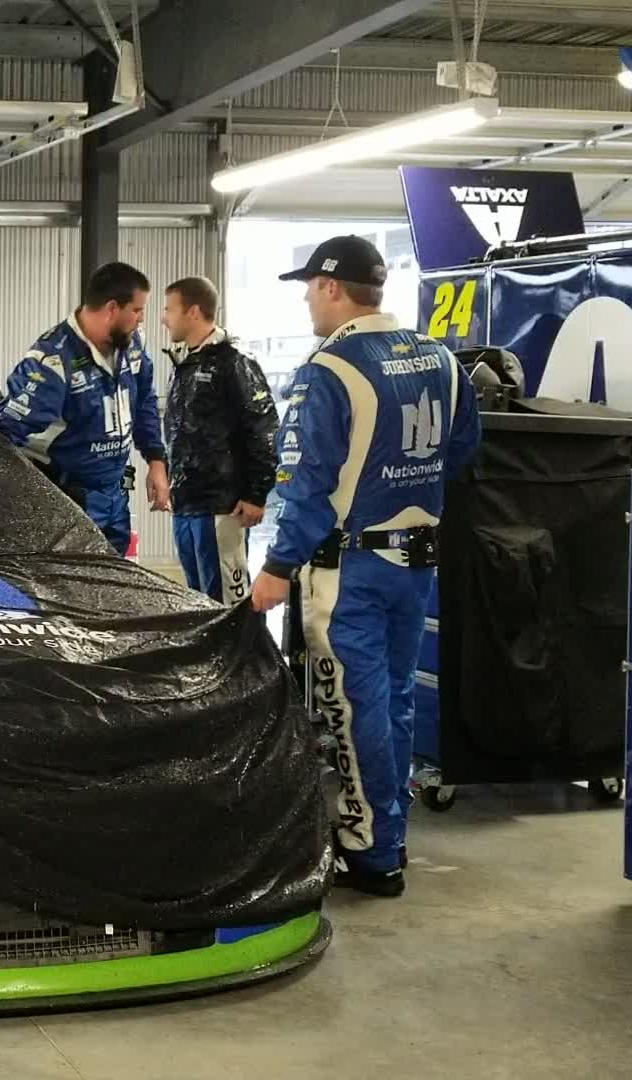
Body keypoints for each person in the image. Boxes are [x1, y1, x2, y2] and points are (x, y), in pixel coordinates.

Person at [250, 235, 480, 899]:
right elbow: (463, 446)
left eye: (308, 290)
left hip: (348, 567)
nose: (305, 303)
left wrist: (277, 564)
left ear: (331, 288)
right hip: (416, 559)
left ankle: (370, 851)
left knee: (352, 706)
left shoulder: (331, 368)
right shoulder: (439, 357)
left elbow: (306, 482)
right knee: (395, 700)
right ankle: (390, 831)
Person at [0, 262, 167, 555]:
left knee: (116, 583)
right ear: (112, 308)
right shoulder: (51, 359)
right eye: (136, 311)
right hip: (68, 502)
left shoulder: (133, 343)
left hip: (116, 493)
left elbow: (145, 400)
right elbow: (4, 434)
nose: (142, 319)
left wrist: (156, 461)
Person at [160, 277, 278, 605]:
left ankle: (243, 658)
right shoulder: (184, 363)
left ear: (194, 312)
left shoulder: (234, 362)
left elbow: (264, 428)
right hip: (187, 504)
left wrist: (256, 494)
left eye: (169, 309)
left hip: (222, 507)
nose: (163, 318)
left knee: (228, 602)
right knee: (197, 600)